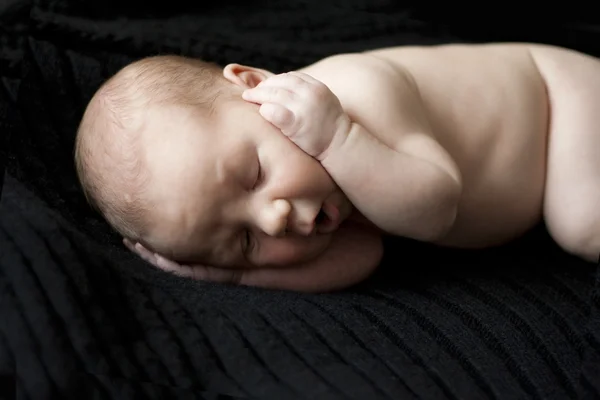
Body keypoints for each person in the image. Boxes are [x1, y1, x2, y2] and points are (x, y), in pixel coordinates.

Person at [74, 42, 600, 292]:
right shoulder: (323, 202)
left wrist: (340, 138)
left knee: (583, 221)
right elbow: (361, 255)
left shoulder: (357, 92)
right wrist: (232, 274)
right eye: (246, 240)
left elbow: (436, 205)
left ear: (255, 86)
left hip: (560, 102)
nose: (273, 218)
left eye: (254, 175)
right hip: (541, 178)